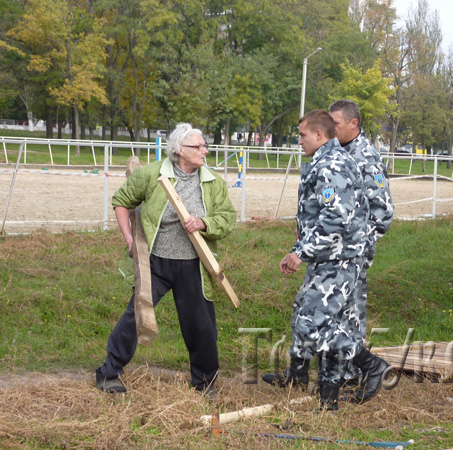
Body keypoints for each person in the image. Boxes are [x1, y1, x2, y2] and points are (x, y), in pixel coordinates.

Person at [96, 123, 236, 396]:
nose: (204, 150)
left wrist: (205, 223)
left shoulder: (213, 182)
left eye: (204, 146)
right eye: (198, 146)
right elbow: (122, 201)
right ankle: (108, 373)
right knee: (136, 317)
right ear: (179, 150)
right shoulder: (152, 174)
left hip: (194, 264)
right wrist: (129, 240)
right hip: (155, 262)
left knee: (201, 325)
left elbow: (227, 219)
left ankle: (205, 383)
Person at [267, 110, 390, 410]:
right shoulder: (327, 160)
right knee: (328, 323)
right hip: (332, 256)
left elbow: (337, 216)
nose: (299, 141)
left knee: (312, 323)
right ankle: (328, 399)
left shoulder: (331, 164)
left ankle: (371, 364)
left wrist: (302, 252)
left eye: (302, 135)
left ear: (318, 136)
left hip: (339, 258)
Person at [328, 99, 394, 385]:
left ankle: (357, 373)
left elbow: (383, 211)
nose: (331, 130)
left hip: (352, 253)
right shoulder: (335, 152)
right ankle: (337, 372)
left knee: (350, 314)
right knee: (333, 311)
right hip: (330, 251)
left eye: (336, 124)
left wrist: (355, 242)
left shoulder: (365, 156)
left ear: (353, 124)